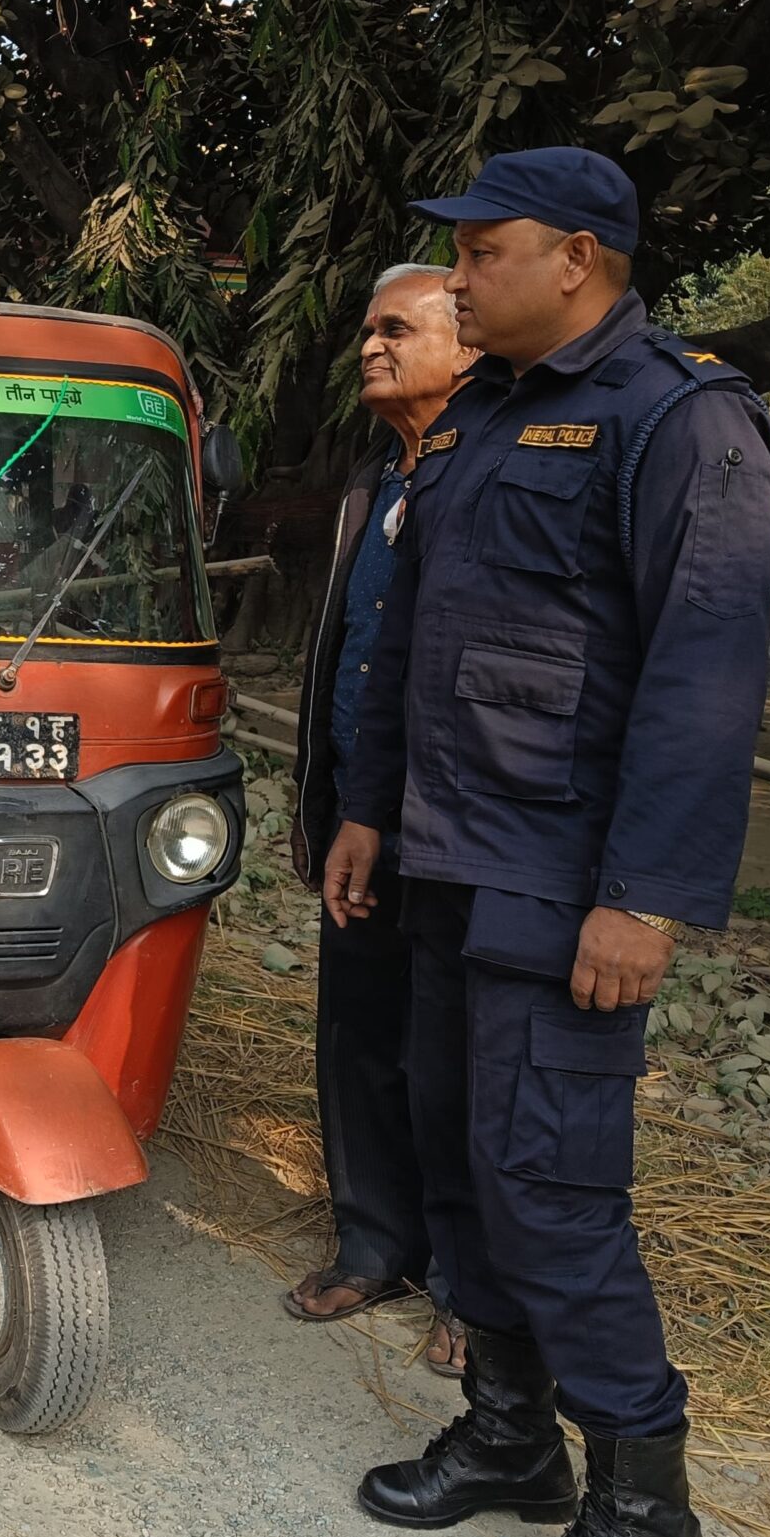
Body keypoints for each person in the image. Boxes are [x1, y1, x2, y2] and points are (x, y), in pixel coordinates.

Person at [323, 148, 770, 1537]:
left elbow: (706, 679)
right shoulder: (490, 424)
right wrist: (371, 816)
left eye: (487, 250)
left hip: (562, 884)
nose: (458, 276)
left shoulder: (680, 419)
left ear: (577, 259)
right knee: (462, 1163)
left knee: (553, 1191)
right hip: (447, 866)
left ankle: (650, 1527)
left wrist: (642, 898)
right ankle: (516, 1440)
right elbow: (423, 650)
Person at [285, 263, 475, 1377]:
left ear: (470, 342)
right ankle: (374, 1243)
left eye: (396, 328)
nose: (369, 346)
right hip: (361, 818)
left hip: (460, 830)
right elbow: (339, 667)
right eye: (365, 329)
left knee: (455, 1060)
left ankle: (467, 1285)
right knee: (357, 1041)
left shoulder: (494, 479)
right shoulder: (370, 486)